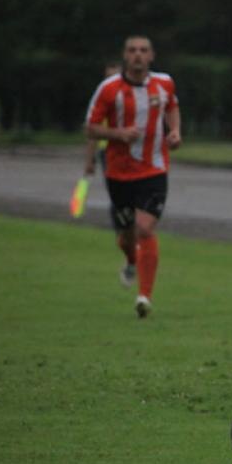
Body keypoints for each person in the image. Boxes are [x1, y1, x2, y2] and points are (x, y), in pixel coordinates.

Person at [85, 36, 181, 318]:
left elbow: (172, 107)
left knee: (145, 229)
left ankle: (144, 296)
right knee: (127, 238)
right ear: (125, 56)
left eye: (143, 50)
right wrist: (118, 134)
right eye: (132, 50)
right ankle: (130, 259)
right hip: (119, 174)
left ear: (151, 56)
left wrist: (174, 132)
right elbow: (90, 128)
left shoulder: (164, 83)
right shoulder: (109, 89)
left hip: (154, 169)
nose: (138, 55)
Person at [83, 61, 122, 178]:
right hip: (108, 151)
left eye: (115, 78)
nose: (111, 82)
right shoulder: (102, 101)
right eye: (108, 78)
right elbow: (92, 131)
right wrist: (90, 159)